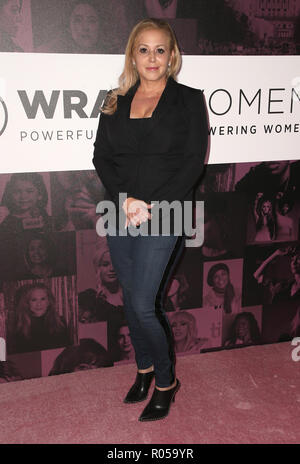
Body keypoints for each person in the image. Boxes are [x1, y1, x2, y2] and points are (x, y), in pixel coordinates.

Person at [92, 19, 209, 421]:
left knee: (143, 305)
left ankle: (165, 381)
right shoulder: (113, 98)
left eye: (160, 49)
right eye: (144, 49)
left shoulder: (190, 100)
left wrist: (154, 205)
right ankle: (142, 368)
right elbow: (101, 157)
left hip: (166, 212)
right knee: (129, 296)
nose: (152, 58)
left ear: (172, 55)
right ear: (133, 55)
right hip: (118, 211)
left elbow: (193, 161)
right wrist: (125, 201)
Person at [9, 282, 69, 354]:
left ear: (49, 302)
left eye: (43, 299)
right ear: (27, 303)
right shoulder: (19, 326)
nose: (39, 304)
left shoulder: (60, 322)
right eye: (34, 300)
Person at [0, 172, 52, 237]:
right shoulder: (7, 225)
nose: (23, 196)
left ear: (40, 195)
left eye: (29, 191)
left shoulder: (47, 219)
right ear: (10, 195)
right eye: (17, 191)